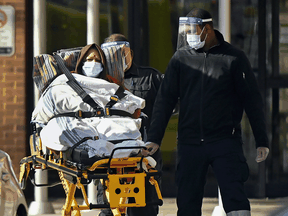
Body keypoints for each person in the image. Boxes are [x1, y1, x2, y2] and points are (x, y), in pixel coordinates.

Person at [142, 8, 270, 216]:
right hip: (190, 142)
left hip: (224, 141)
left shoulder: (233, 58)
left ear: (207, 29)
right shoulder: (180, 59)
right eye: (187, 31)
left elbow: (252, 100)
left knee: (235, 199)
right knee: (187, 203)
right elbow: (165, 100)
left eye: (193, 30)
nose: (189, 36)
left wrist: (261, 139)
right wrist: (155, 137)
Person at [32, 43, 145, 161]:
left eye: (97, 60)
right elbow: (51, 100)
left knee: (127, 128)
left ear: (103, 65)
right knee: (58, 127)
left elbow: (132, 106)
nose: (93, 63)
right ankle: (103, 150)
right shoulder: (64, 82)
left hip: (109, 125)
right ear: (81, 63)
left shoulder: (113, 86)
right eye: (89, 59)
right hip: (79, 125)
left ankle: (112, 149)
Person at [97, 34, 163, 216]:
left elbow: (168, 107)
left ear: (130, 53)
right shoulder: (98, 82)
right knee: (108, 208)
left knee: (143, 208)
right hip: (110, 156)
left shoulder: (150, 77)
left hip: (144, 154)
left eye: (121, 52)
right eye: (111, 54)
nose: (117, 58)